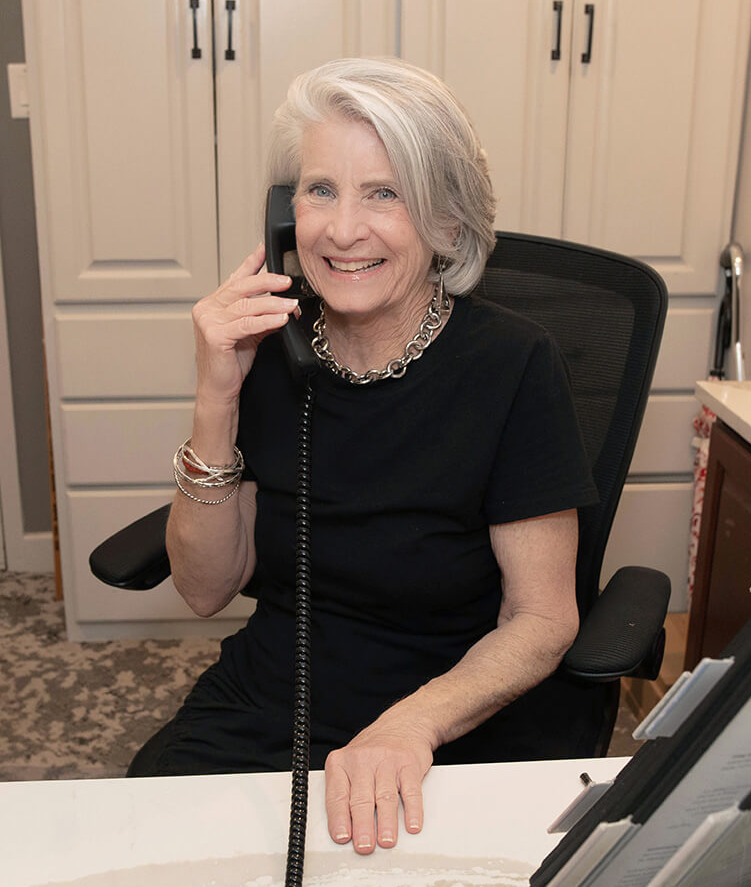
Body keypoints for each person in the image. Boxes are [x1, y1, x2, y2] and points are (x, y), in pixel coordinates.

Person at [127, 57, 598, 855]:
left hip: (454, 710)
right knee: (153, 857)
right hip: (274, 694)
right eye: (320, 190)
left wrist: (409, 725)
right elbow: (206, 589)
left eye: (386, 193)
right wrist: (217, 395)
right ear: (285, 215)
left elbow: (544, 618)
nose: (343, 230)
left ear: (448, 222)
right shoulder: (269, 350)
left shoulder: (513, 364)